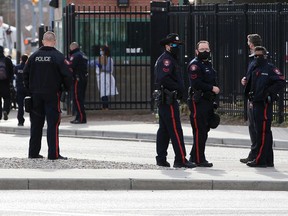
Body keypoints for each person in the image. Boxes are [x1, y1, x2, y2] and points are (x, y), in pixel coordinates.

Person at [23, 31, 72, 160]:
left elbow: (25, 74)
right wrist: (65, 89)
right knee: (53, 124)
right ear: (54, 42)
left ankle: (33, 153)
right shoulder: (59, 57)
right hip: (52, 94)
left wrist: (30, 90)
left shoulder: (33, 57)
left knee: (36, 125)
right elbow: (67, 76)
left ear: (43, 41)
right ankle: (53, 154)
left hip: (36, 95)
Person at [154, 33, 196, 168]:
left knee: (165, 130)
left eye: (177, 45)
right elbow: (164, 79)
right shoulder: (166, 60)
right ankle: (180, 159)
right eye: (173, 45)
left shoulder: (171, 59)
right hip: (168, 99)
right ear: (167, 46)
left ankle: (161, 158)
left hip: (168, 99)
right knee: (175, 130)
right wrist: (179, 88)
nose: (176, 47)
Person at [246, 46, 285, 167]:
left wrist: (268, 92)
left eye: (260, 56)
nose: (257, 58)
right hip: (255, 102)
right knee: (261, 132)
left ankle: (260, 160)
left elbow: (281, 81)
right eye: (255, 56)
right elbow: (251, 83)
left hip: (263, 104)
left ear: (265, 56)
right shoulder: (253, 66)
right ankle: (268, 159)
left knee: (262, 132)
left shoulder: (270, 68)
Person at [187, 40, 220, 167]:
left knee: (204, 129)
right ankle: (199, 159)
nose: (205, 52)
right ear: (197, 51)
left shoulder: (208, 65)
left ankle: (194, 155)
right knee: (200, 130)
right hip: (198, 101)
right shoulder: (195, 65)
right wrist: (212, 88)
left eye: (207, 49)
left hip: (208, 101)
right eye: (202, 50)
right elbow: (196, 83)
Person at [240, 34, 262, 164]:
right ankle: (254, 153)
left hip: (255, 98)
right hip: (252, 96)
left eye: (248, 43)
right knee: (252, 127)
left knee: (255, 127)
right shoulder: (254, 59)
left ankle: (256, 154)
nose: (248, 45)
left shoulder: (258, 59)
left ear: (251, 45)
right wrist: (246, 80)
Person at [68, 42, 88, 124]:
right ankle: (78, 117)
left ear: (72, 48)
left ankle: (81, 118)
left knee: (77, 99)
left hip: (77, 79)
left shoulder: (75, 55)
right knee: (80, 99)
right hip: (83, 78)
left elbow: (70, 65)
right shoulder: (83, 54)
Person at [96, 45, 118, 109]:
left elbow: (108, 69)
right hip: (102, 76)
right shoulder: (102, 58)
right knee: (103, 91)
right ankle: (104, 106)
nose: (100, 52)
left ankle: (105, 107)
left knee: (104, 92)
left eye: (101, 50)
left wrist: (101, 66)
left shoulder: (108, 59)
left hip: (105, 76)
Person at [14, 54, 29, 126]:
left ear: (21, 59)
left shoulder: (17, 67)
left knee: (20, 106)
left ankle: (20, 121)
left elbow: (13, 75)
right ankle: (33, 120)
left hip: (19, 88)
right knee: (32, 105)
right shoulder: (29, 67)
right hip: (28, 88)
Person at [0, 45, 13, 121]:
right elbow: (11, 71)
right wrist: (10, 81)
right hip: (5, 82)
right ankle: (5, 110)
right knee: (7, 98)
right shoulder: (7, 60)